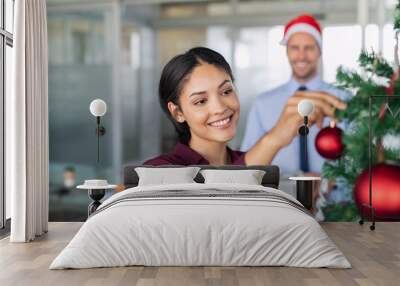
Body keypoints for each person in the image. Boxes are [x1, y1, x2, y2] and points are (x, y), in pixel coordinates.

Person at [144, 47, 346, 166]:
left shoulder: (254, 162)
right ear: (178, 112)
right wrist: (273, 140)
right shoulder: (158, 170)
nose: (219, 108)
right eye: (201, 101)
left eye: (226, 91)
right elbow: (223, 194)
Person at [241, 14, 348, 174]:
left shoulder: (343, 98)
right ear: (286, 52)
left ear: (319, 51)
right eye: (295, 48)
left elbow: (360, 155)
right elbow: (248, 160)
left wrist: (330, 180)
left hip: (333, 197)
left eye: (309, 48)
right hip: (281, 194)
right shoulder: (262, 103)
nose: (301, 56)